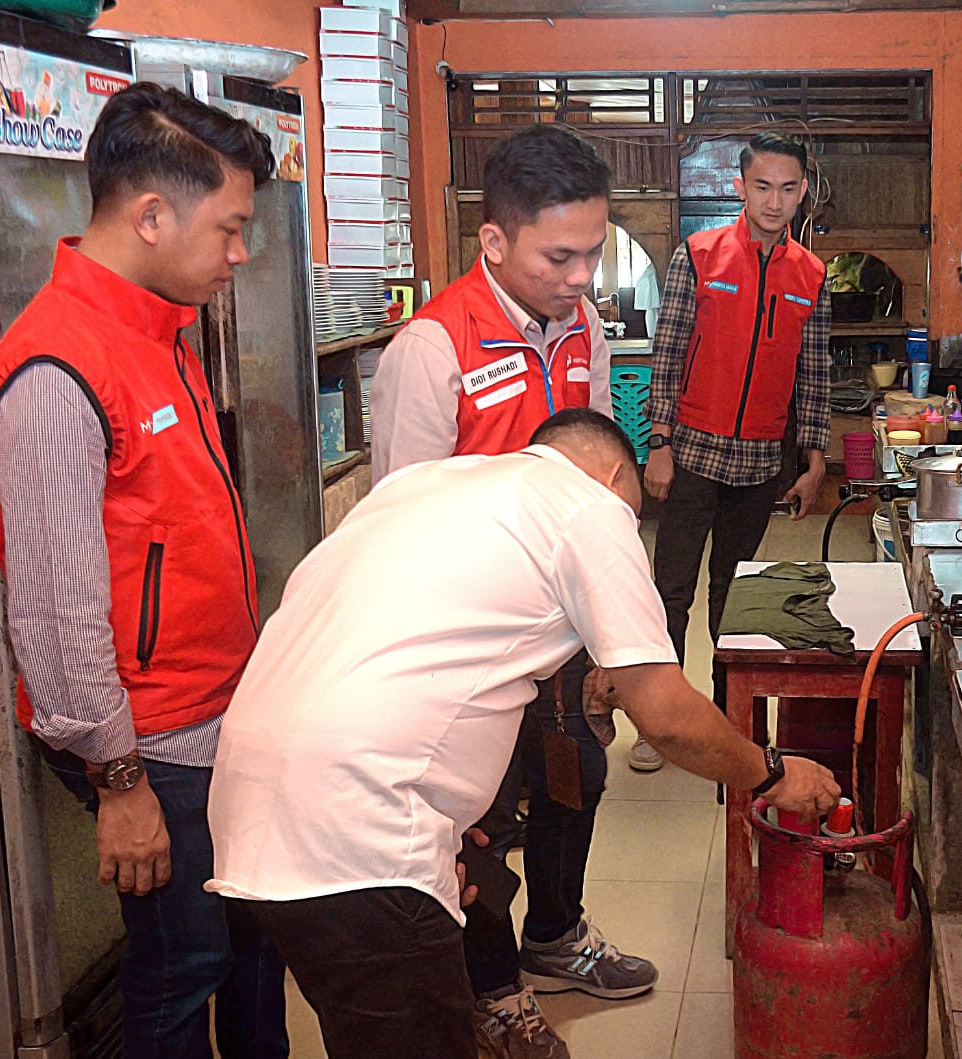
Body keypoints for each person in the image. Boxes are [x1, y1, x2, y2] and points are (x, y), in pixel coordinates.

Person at [206, 409, 840, 1059]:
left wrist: (449, 816)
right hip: (359, 825)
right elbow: (668, 717)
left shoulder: (423, 486)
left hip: (249, 800)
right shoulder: (588, 506)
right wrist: (773, 771)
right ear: (616, 474)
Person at [0, 83, 288, 1058]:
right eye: (229, 227)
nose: (240, 253)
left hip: (214, 713)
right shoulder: (55, 371)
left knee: (250, 947)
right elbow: (58, 609)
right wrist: (119, 781)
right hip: (147, 740)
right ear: (152, 215)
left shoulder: (162, 332)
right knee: (182, 967)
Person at [368, 123, 650, 1057]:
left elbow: (601, 475)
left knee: (578, 778)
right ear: (494, 241)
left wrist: (606, 634)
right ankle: (490, 988)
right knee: (481, 822)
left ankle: (556, 936)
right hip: (472, 646)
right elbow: (400, 523)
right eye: (559, 255)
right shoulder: (432, 346)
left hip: (563, 627)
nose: (580, 276)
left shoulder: (584, 327)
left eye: (593, 253)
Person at [642, 132, 833, 770]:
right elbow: (667, 356)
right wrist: (659, 443)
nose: (774, 201)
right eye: (762, 186)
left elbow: (814, 373)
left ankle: (728, 723)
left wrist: (813, 461)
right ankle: (658, 725)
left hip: (759, 464)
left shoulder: (812, 274)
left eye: (787, 188)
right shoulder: (697, 256)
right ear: (739, 187)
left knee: (735, 595)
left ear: (802, 191)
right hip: (693, 452)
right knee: (670, 594)